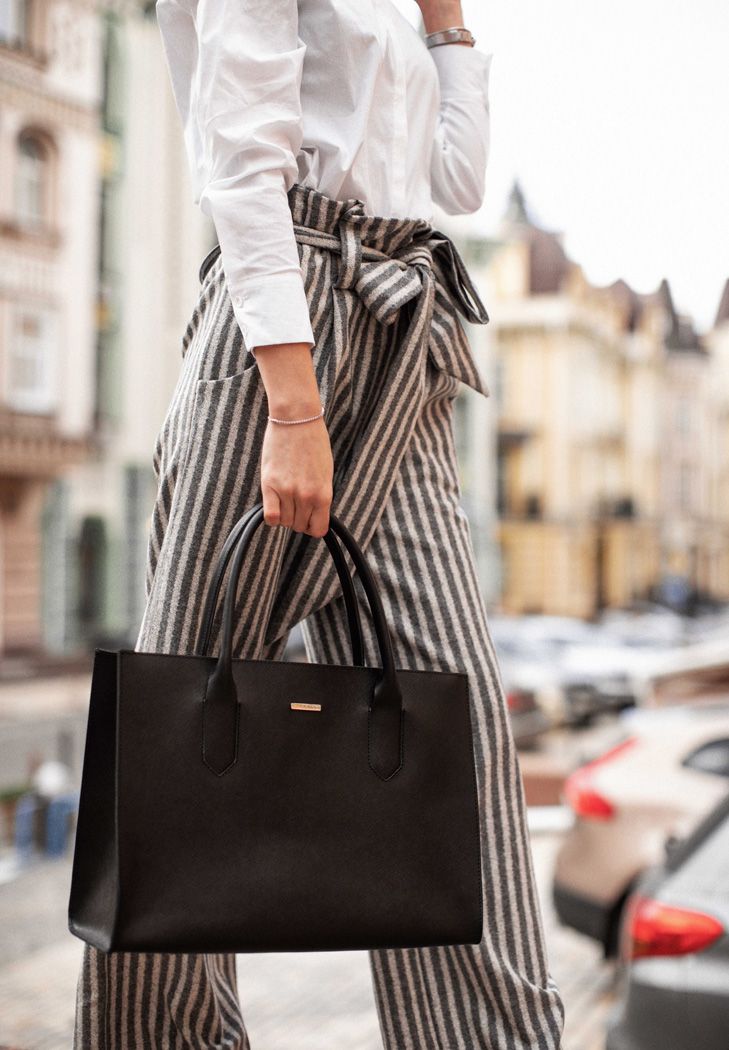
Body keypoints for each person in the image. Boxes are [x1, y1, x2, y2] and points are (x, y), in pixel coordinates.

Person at [72, 1, 566, 1047]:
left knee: (456, 726)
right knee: (185, 719)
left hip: (404, 334)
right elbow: (240, 163)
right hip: (282, 335)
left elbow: (457, 185)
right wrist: (294, 409)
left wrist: (447, 25)